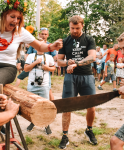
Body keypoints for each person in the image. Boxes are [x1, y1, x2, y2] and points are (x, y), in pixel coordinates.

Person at [0, 1, 63, 148]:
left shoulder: (21, 32)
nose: (16, 21)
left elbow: (39, 45)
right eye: (12, 17)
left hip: (7, 67)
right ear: (3, 15)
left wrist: (51, 46)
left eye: (19, 18)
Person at [57, 15, 97, 149]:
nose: (74, 31)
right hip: (70, 78)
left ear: (82, 26)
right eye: (72, 28)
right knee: (67, 107)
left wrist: (77, 64)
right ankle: (65, 135)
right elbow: (59, 61)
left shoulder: (89, 39)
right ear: (69, 26)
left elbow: (92, 57)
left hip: (87, 76)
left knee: (91, 106)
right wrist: (67, 62)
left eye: (77, 28)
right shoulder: (65, 40)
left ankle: (89, 130)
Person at [24, 39, 55, 134]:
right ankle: (32, 122)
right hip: (32, 85)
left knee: (45, 106)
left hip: (44, 85)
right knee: (32, 106)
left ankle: (46, 125)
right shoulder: (30, 56)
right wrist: (35, 62)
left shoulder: (49, 57)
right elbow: (25, 69)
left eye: (43, 45)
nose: (40, 47)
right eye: (39, 45)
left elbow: (53, 68)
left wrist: (47, 68)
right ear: (35, 46)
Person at [25, 28, 57, 101]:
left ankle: (53, 106)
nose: (44, 36)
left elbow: (54, 57)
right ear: (39, 34)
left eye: (45, 34)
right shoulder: (33, 45)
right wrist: (31, 62)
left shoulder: (50, 46)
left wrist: (48, 65)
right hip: (33, 69)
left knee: (48, 89)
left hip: (45, 71)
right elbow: (28, 55)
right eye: (42, 34)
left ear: (48, 35)